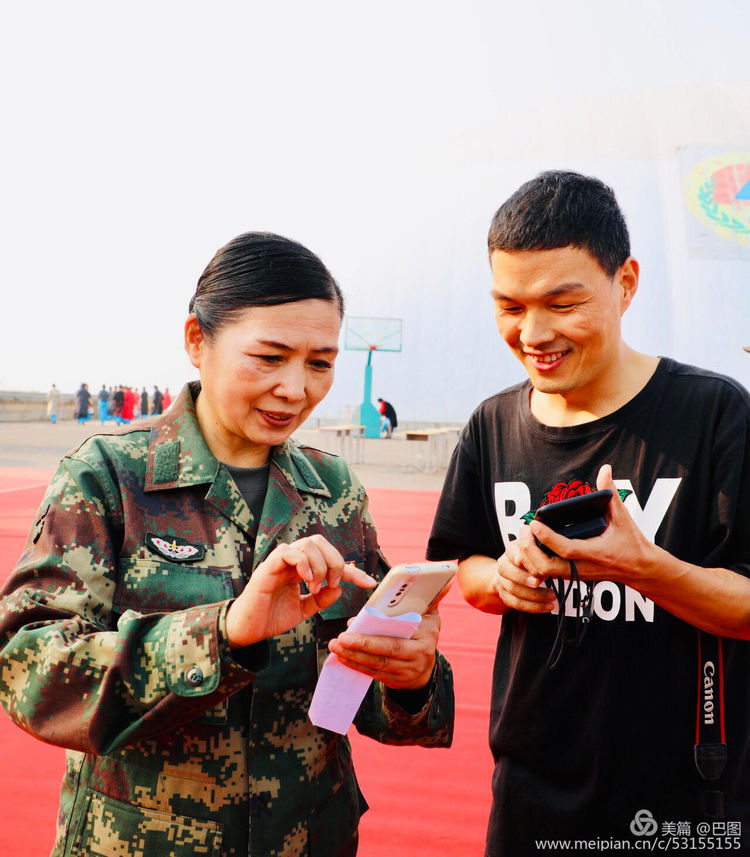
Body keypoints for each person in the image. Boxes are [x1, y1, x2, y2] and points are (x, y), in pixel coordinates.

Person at [0, 232, 454, 857]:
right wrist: (223, 633)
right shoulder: (109, 478)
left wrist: (410, 678)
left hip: (309, 834)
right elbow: (31, 673)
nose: (297, 389)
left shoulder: (334, 490)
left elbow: (362, 690)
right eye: (269, 357)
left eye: (320, 363)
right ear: (197, 341)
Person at [427, 171, 750, 854]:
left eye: (562, 302)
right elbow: (468, 564)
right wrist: (505, 579)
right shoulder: (493, 424)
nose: (533, 332)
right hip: (529, 797)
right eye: (509, 306)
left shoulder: (715, 413)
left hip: (683, 801)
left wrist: (646, 569)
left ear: (625, 283)